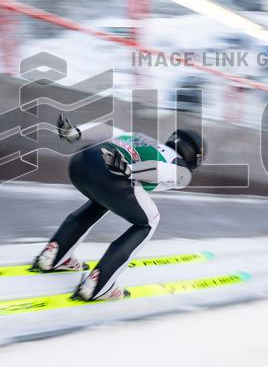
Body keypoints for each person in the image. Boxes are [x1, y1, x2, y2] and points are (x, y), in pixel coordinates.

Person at [31, 114, 205, 301]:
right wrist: (131, 170)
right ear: (195, 157)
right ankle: (99, 284)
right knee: (149, 221)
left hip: (81, 162)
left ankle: (55, 254)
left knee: (99, 202)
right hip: (114, 177)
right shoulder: (181, 169)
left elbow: (106, 130)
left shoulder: (139, 136)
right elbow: (163, 170)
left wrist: (76, 131)